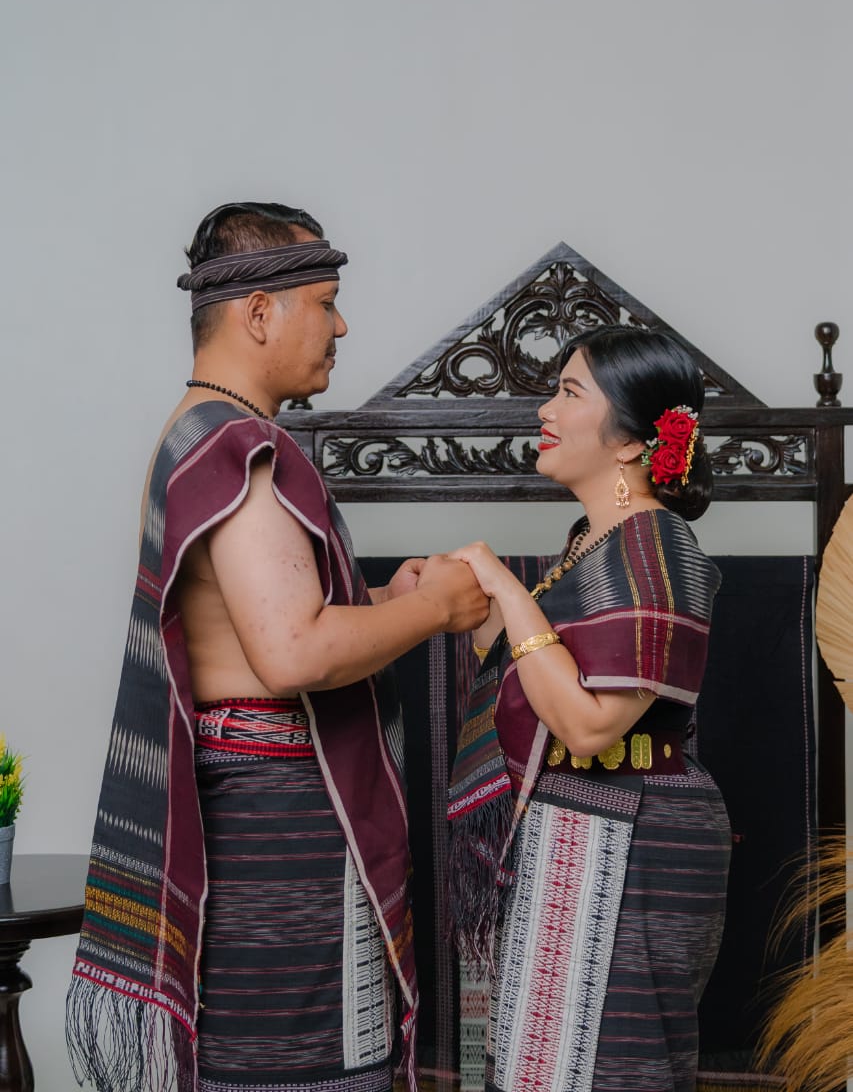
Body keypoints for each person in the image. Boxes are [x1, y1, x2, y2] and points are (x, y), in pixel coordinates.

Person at [66, 202, 489, 1092]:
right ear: (258, 313)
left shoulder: (198, 431)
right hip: (278, 831)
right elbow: (293, 653)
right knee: (303, 1074)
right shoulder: (239, 445)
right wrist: (435, 609)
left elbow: (257, 626)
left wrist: (383, 602)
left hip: (265, 812)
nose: (342, 326)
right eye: (326, 302)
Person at [446, 324, 731, 1092]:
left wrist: (507, 590)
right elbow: (530, 672)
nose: (545, 409)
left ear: (630, 442)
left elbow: (585, 723)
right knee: (547, 1066)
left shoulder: (657, 548)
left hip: (630, 839)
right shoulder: (594, 543)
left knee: (612, 1070)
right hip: (576, 827)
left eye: (569, 392)